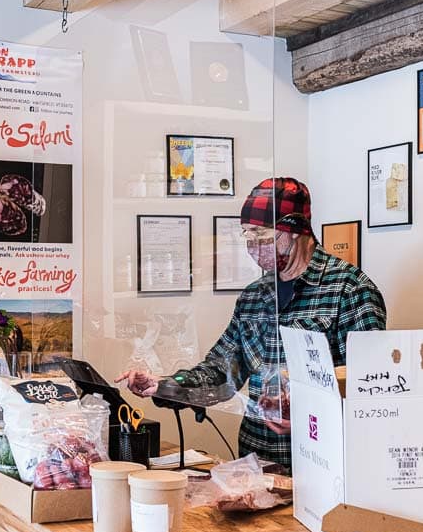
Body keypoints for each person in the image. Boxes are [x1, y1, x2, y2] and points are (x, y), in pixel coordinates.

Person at [117, 177, 386, 472]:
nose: (253, 247)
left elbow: (371, 389)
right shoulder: (254, 297)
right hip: (257, 465)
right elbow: (221, 372)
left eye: (262, 235)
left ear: (295, 230)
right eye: (247, 236)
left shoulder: (350, 290)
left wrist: (308, 411)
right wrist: (164, 385)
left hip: (322, 465)